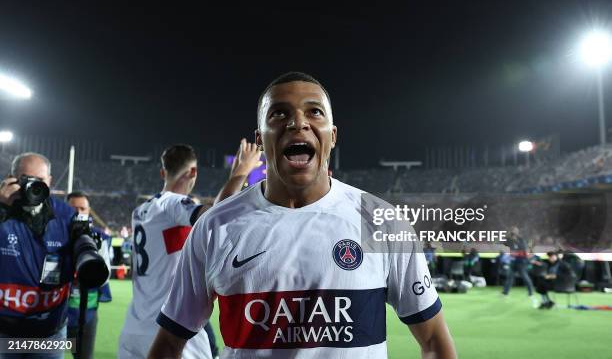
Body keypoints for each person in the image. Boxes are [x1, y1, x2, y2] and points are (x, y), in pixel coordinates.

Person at [149, 72, 457, 358]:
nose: (298, 123)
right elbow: (169, 342)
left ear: (332, 135)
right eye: (279, 113)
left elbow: (432, 339)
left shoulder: (381, 221)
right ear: (260, 140)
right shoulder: (214, 227)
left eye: (314, 112)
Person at [119, 142, 262, 359]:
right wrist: (240, 173)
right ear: (193, 172)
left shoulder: (141, 211)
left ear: (162, 172)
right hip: (169, 326)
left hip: (134, 325)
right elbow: (217, 217)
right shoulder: (173, 204)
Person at [0, 153, 76, 358]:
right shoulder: (2, 210)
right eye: (26, 179)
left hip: (49, 333)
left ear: (49, 181)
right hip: (4, 333)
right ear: (10, 178)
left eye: (40, 181)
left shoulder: (66, 215)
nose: (33, 186)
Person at [66, 192, 112, 359]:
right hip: (56, 314)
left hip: (87, 314)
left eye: (82, 208)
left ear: (88, 210)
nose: (78, 212)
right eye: (73, 208)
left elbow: (105, 276)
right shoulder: (53, 234)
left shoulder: (99, 238)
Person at [502, 226, 537, 307]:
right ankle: (505, 293)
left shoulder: (521, 240)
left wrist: (518, 254)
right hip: (513, 262)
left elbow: (524, 250)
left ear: (517, 232)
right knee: (510, 278)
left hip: (521, 262)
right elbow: (503, 243)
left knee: (525, 277)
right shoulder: (509, 240)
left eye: (515, 231)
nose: (513, 232)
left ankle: (531, 293)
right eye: (512, 231)